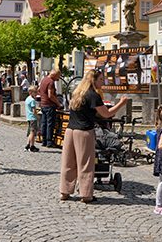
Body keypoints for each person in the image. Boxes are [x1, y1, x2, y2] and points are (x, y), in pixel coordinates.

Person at [60, 70, 127, 203]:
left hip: (70, 130)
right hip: (84, 132)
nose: (103, 82)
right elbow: (106, 114)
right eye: (101, 79)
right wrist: (121, 103)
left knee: (68, 162)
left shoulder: (77, 92)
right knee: (85, 163)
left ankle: (65, 192)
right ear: (93, 80)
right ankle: (86, 195)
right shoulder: (93, 95)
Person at [38, 69, 62, 147]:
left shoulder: (44, 80)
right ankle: (49, 142)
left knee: (44, 123)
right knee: (50, 124)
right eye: (58, 76)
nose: (58, 78)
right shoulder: (51, 82)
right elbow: (50, 95)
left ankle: (44, 141)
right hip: (49, 105)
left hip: (43, 104)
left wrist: (42, 97)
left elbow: (39, 90)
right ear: (54, 75)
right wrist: (58, 103)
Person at [24, 86, 40, 152]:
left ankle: (27, 145)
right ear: (31, 92)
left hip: (28, 117)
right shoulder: (32, 100)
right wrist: (37, 116)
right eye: (35, 92)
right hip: (33, 118)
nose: (36, 93)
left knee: (30, 132)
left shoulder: (27, 99)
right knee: (33, 132)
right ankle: (32, 146)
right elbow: (34, 111)